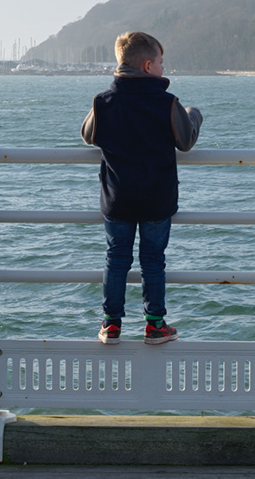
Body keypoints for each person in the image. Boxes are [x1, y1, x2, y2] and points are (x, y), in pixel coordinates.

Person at [79, 30, 203, 345]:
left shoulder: (103, 102)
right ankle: (155, 324)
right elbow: (186, 141)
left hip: (118, 198)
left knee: (116, 258)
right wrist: (194, 115)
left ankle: (111, 325)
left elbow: (87, 134)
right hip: (156, 199)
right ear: (148, 66)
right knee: (153, 260)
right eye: (161, 62)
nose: (163, 68)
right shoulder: (167, 103)